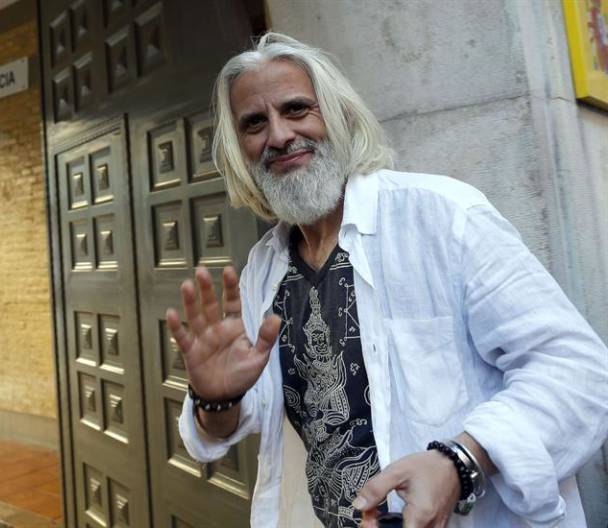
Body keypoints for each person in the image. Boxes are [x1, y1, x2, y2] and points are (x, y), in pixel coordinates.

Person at [166, 32, 608, 528]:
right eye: (254, 123)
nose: (280, 136)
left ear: (339, 116)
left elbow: (579, 373)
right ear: (239, 150)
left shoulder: (443, 215)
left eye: (296, 109)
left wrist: (460, 461)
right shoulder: (263, 269)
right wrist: (216, 399)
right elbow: (232, 423)